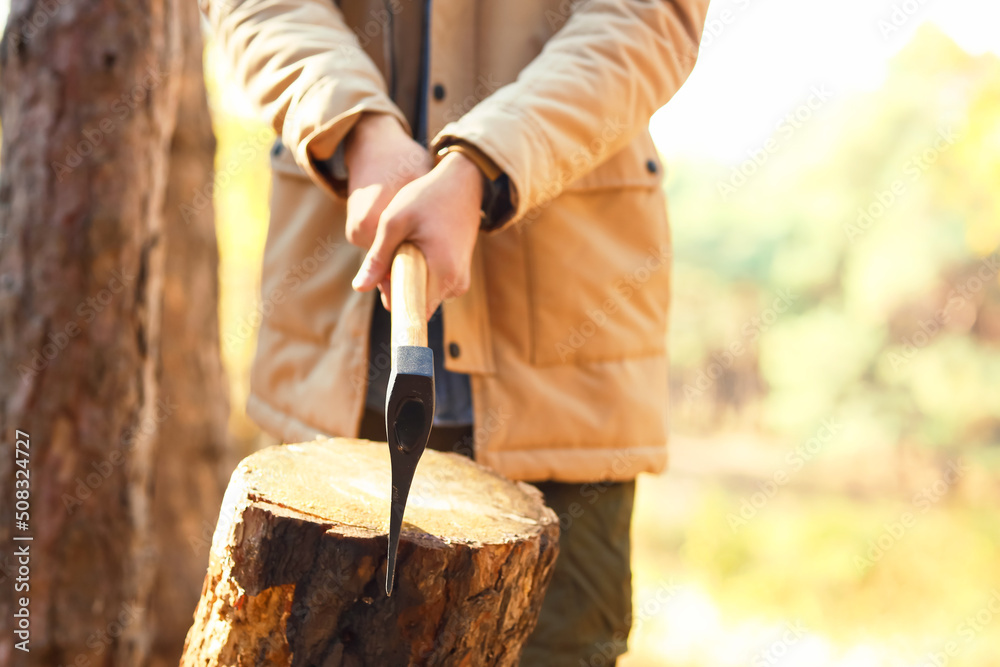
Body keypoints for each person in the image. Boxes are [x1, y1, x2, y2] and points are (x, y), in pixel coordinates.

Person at [203, 0, 709, 663]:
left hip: (568, 371)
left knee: (562, 646)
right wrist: (353, 125)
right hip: (334, 360)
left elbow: (649, 16)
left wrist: (483, 164)